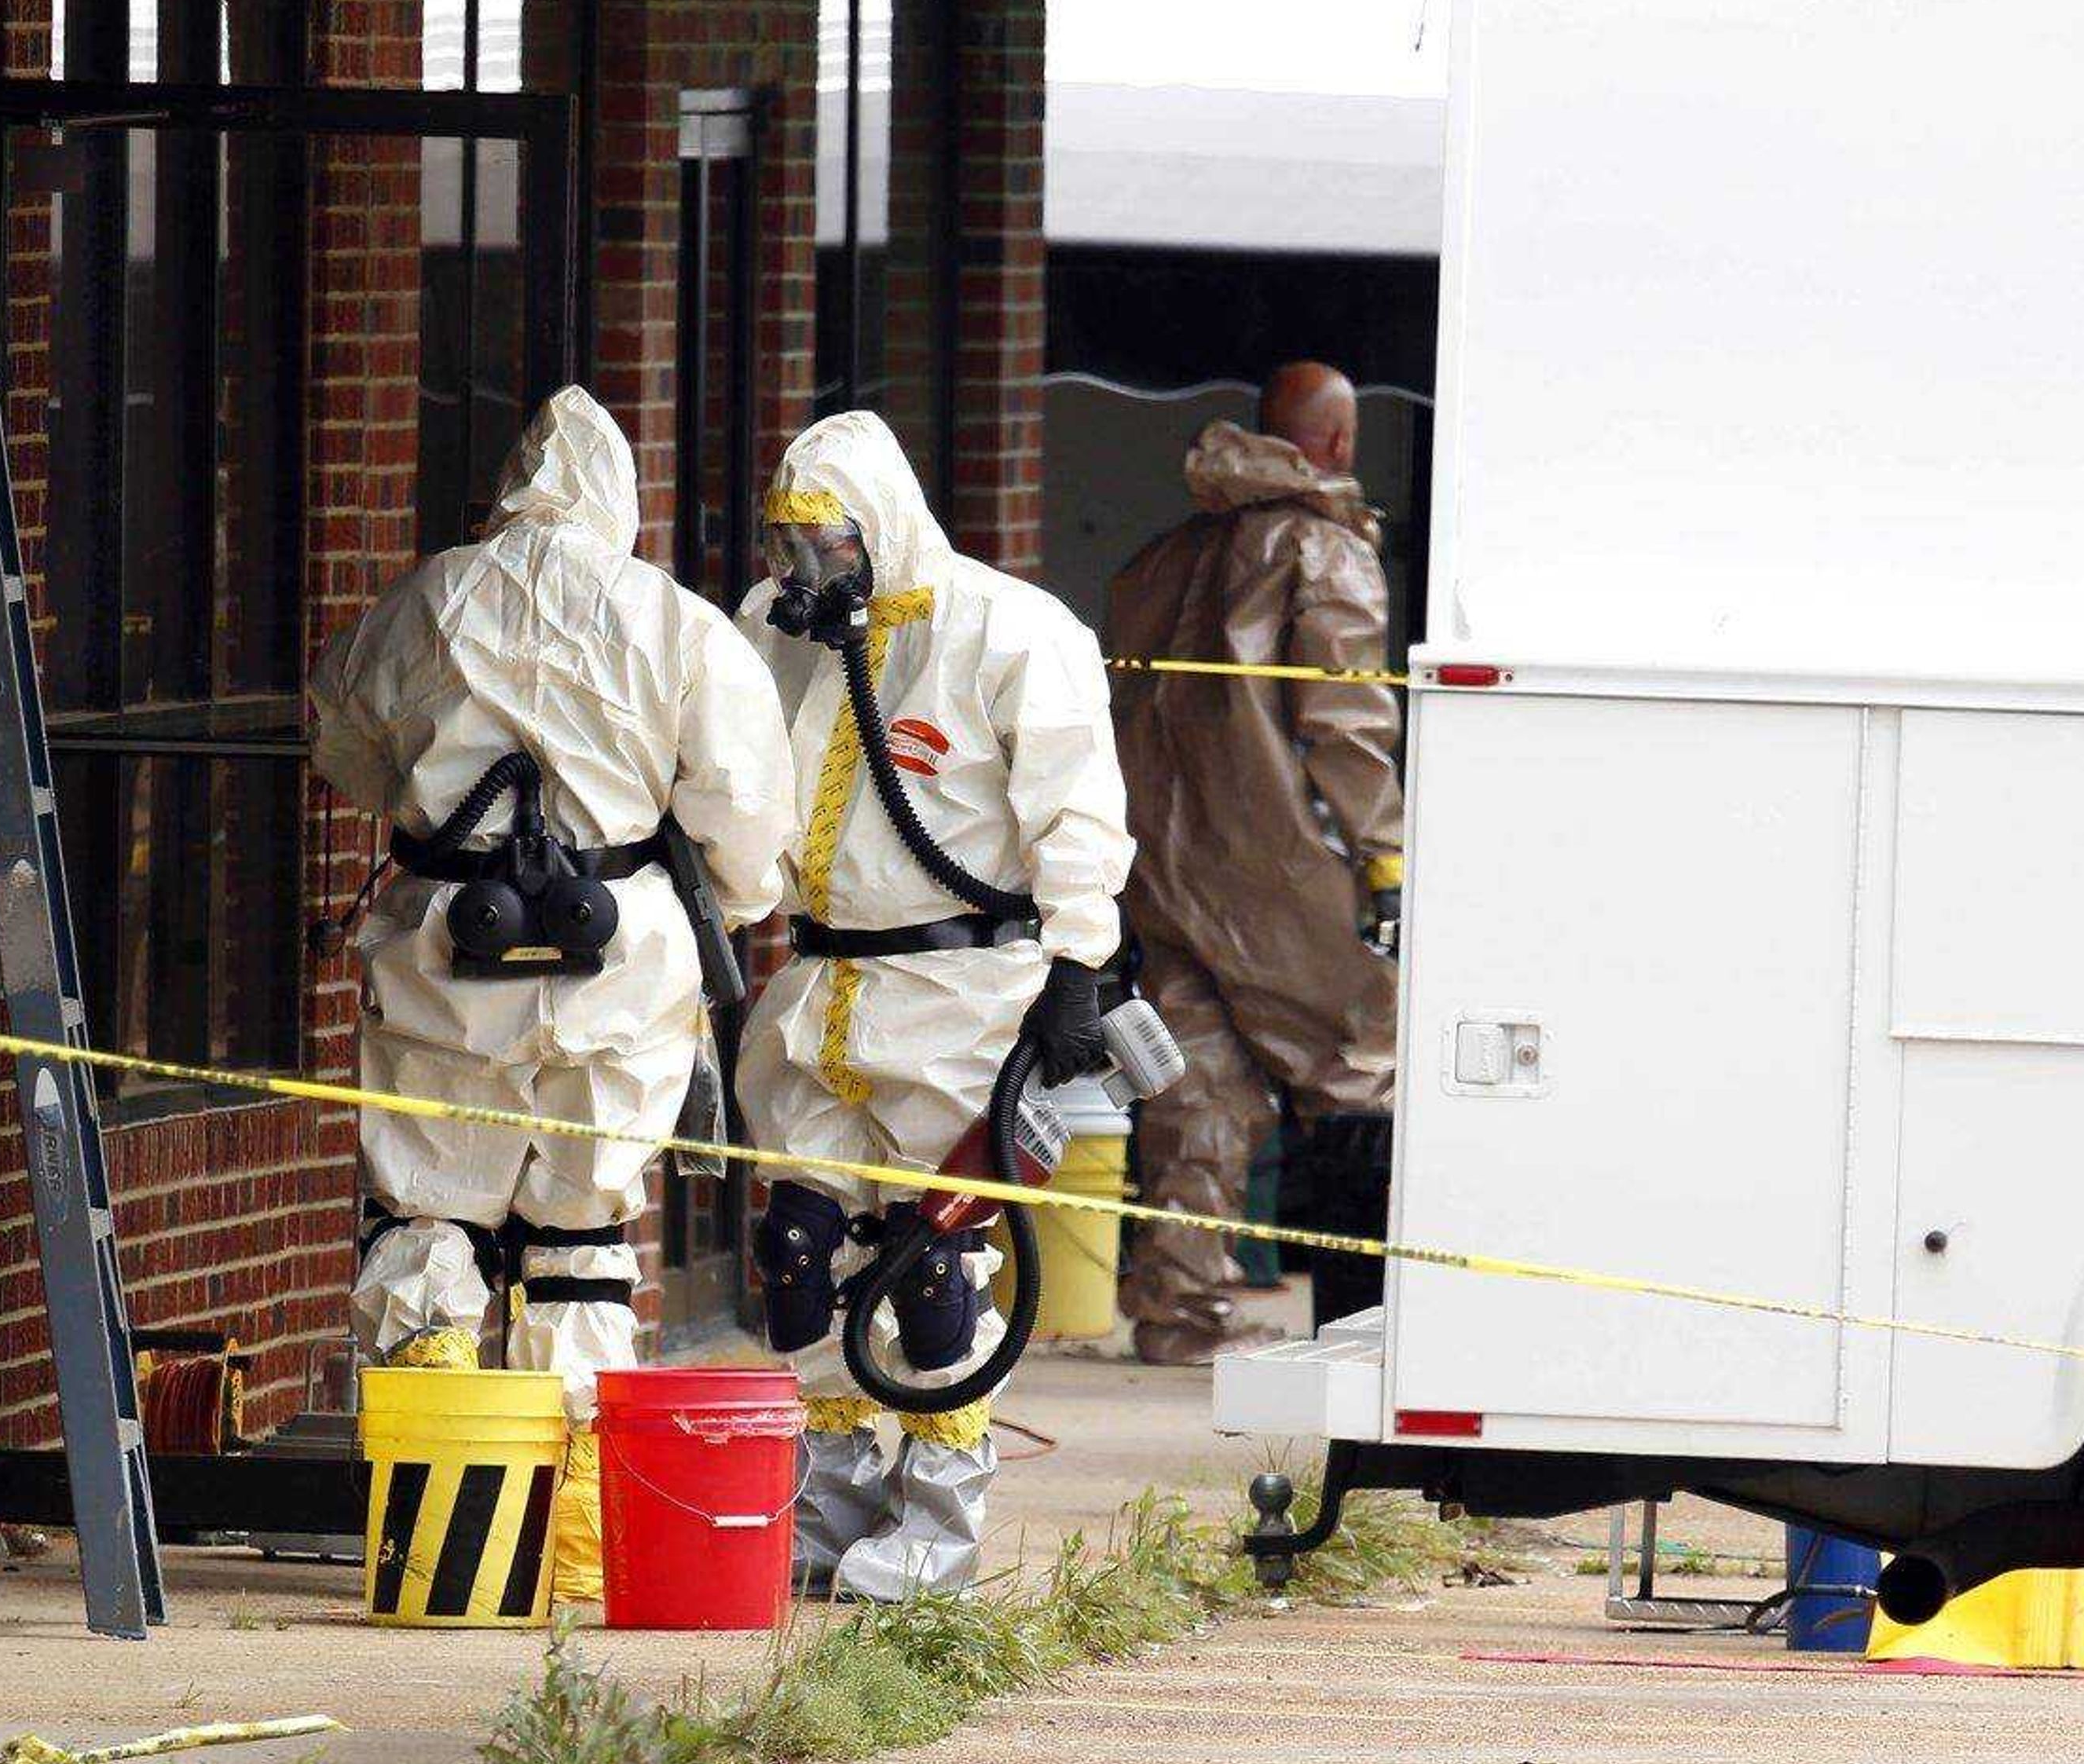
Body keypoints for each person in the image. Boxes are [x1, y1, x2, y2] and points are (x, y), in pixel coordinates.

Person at [309, 386, 799, 1601]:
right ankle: (569, 1545)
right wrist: (718, 909)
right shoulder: (673, 621)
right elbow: (744, 805)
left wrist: (434, 804)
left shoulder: (432, 593)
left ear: (514, 483)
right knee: (582, 1237)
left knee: (428, 1214)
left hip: (443, 952)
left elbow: (341, 737)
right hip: (617, 962)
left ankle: (433, 1538)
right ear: (620, 500)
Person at [735, 411, 1133, 1601]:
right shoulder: (781, 634)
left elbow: (1079, 810)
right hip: (820, 988)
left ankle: (937, 1527)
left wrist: (1078, 961)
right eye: (787, 547)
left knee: (935, 1262)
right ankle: (831, 1505)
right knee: (800, 1248)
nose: (806, 575)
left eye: (830, 547)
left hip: (964, 991)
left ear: (884, 529)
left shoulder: (1010, 631)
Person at [1108, 361, 1405, 1364]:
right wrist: (1386, 858)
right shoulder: (1326, 554)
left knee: (1196, 1093)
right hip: (1283, 872)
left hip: (1161, 868)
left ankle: (1178, 1317)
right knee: (1361, 1075)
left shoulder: (1166, 558)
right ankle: (1366, 1331)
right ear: (1336, 444)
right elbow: (1347, 722)